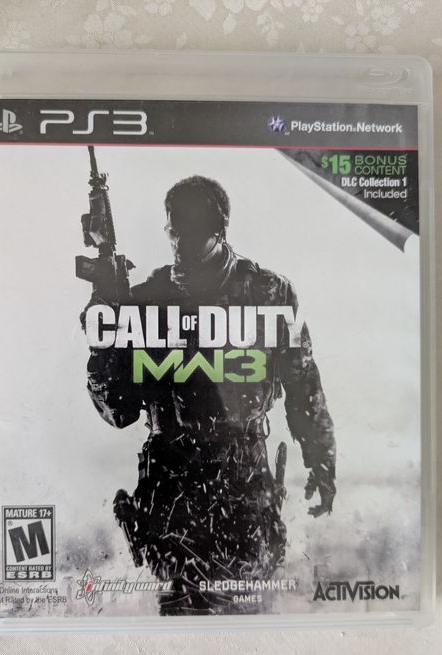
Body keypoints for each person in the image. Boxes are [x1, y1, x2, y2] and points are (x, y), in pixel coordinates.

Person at [84, 175, 336, 615]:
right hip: (171, 490)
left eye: (193, 229)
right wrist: (103, 325)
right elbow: (117, 411)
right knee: (182, 614)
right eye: (175, 229)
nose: (181, 242)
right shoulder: (145, 301)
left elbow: (303, 384)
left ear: (219, 229)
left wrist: (321, 459)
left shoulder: (269, 293)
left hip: (242, 485)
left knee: (248, 609)